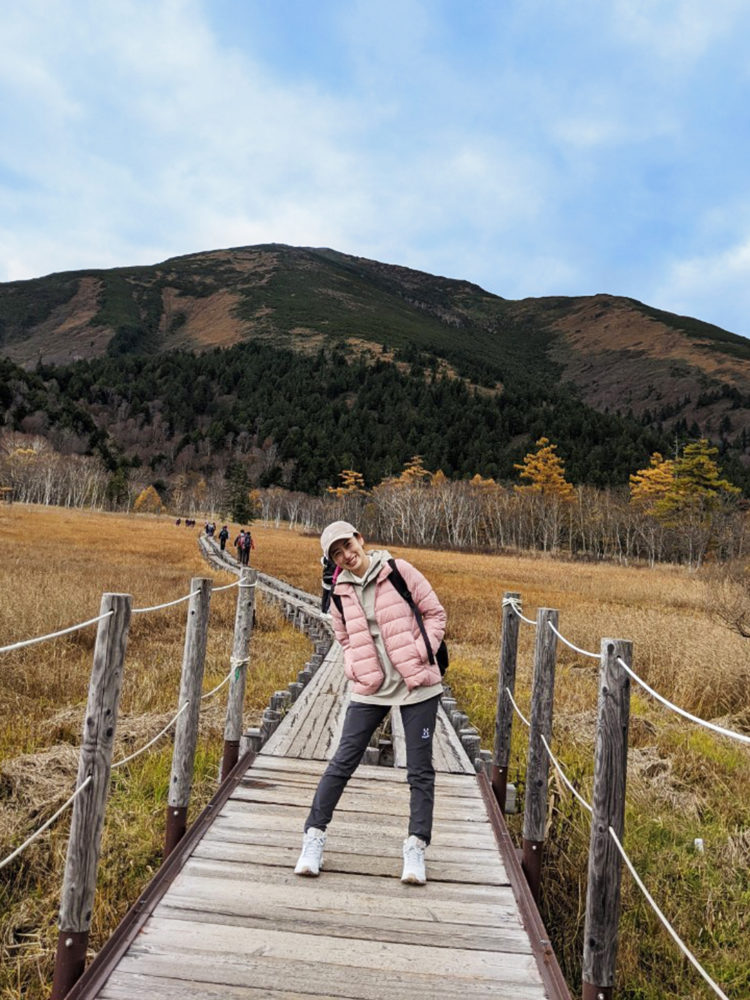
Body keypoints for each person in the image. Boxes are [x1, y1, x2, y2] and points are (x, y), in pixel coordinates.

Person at [294, 520, 446, 885]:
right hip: (370, 686)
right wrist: (354, 666)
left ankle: (415, 846)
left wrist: (420, 652)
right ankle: (313, 838)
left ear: (360, 539)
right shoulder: (338, 592)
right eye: (336, 554)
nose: (346, 556)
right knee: (342, 761)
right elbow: (344, 638)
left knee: (420, 770)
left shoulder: (398, 570)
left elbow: (436, 614)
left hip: (416, 685)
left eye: (348, 546)